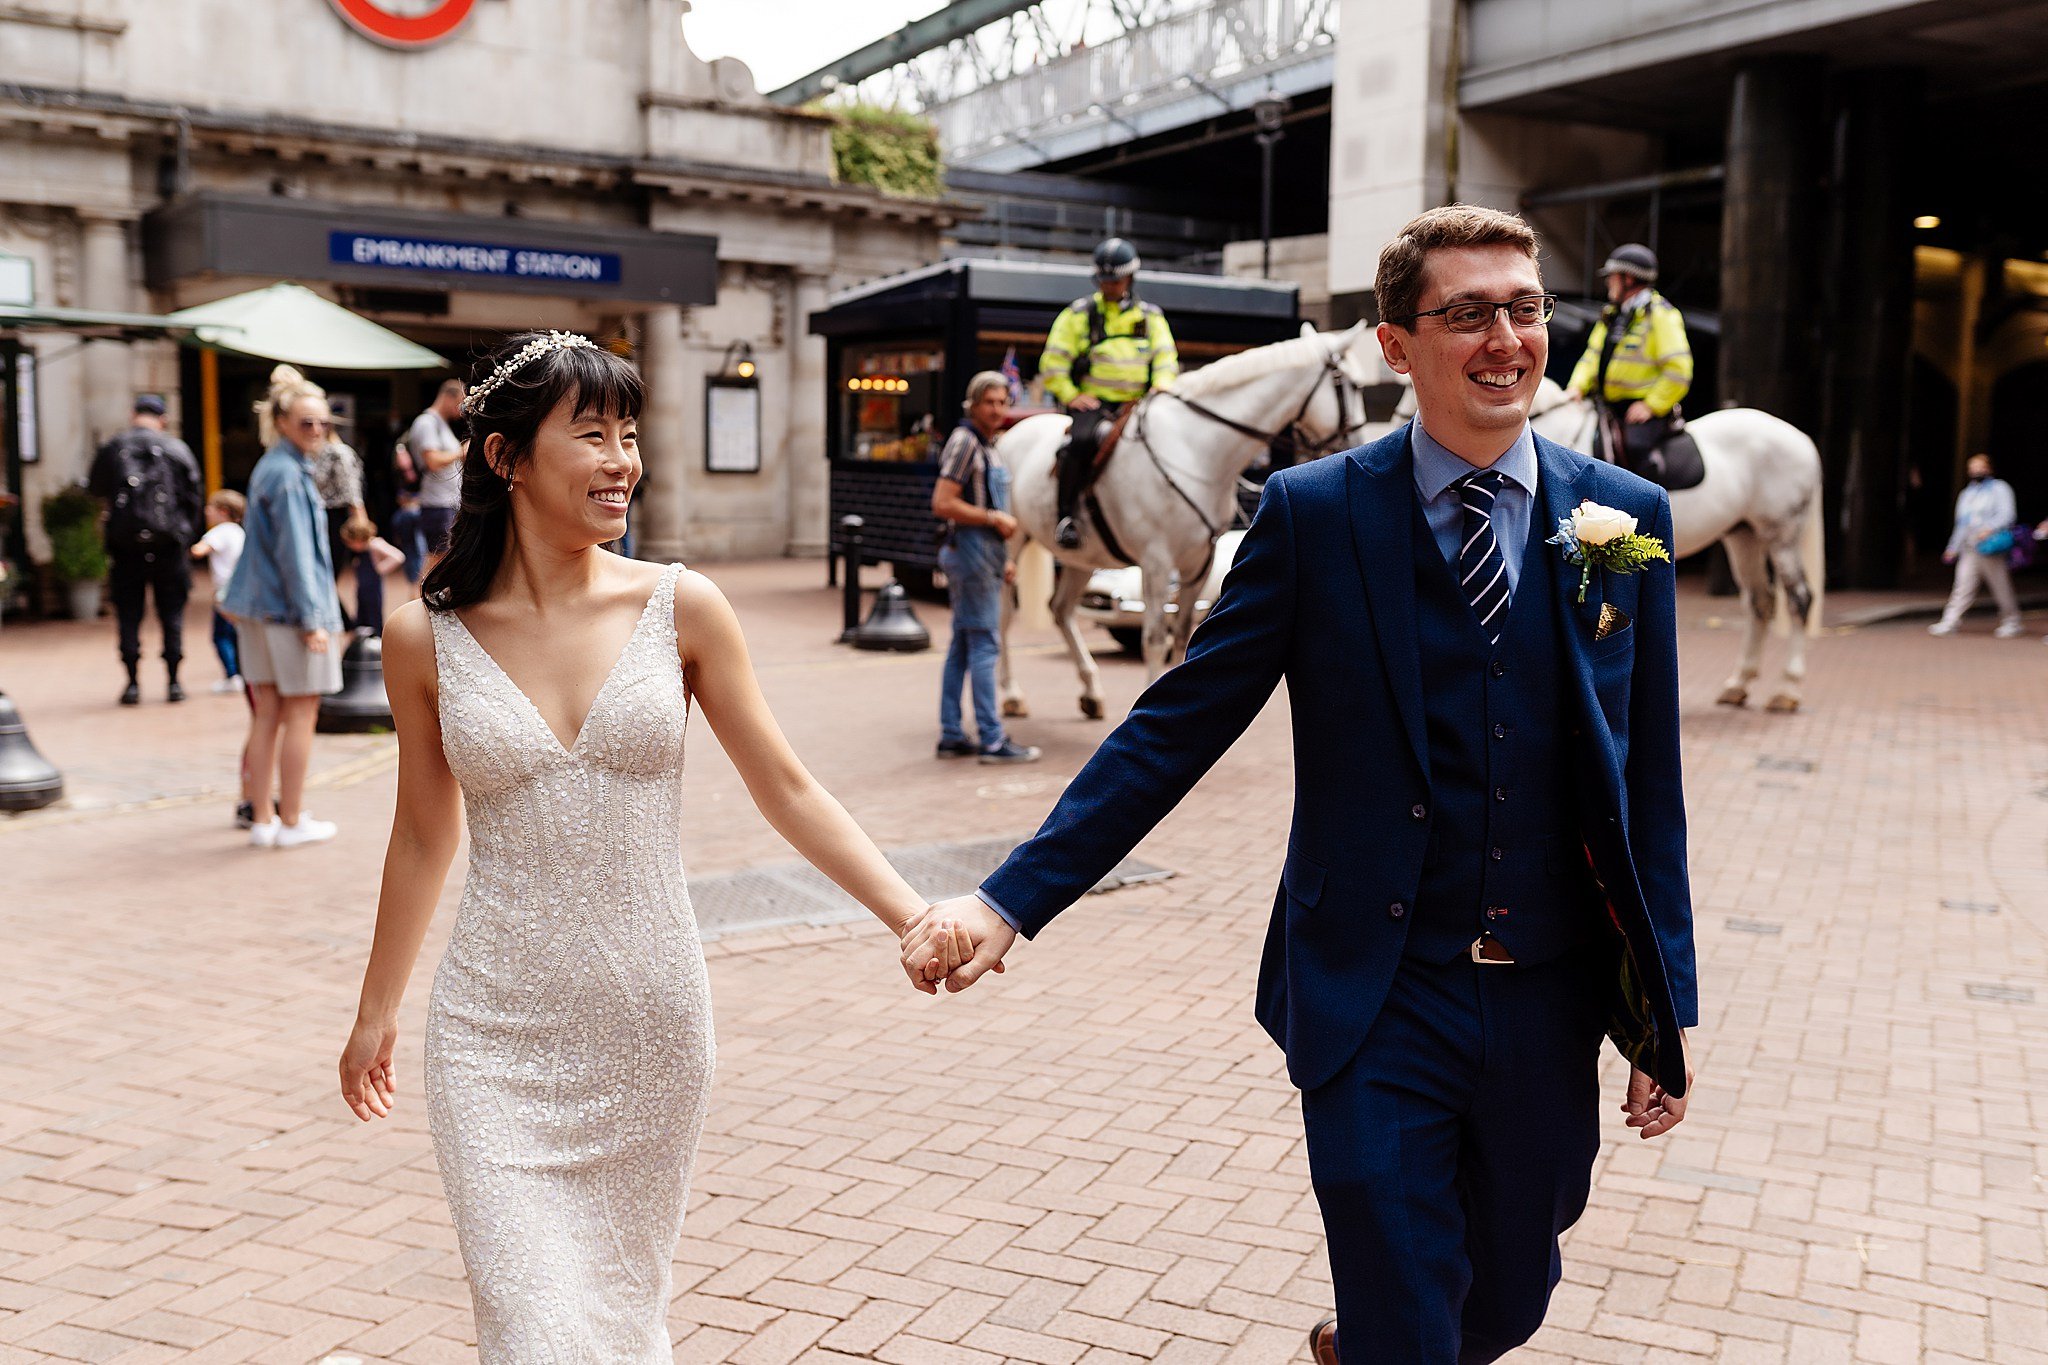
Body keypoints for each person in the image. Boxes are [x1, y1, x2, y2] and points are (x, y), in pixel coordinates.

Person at [904, 205, 1698, 1365]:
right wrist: (1006, 898)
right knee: (1405, 1304)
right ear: (1393, 345)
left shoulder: (1622, 519)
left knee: (1510, 1295)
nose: (1504, 338)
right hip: (1374, 995)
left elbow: (1648, 779)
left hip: (1550, 991)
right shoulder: (1312, 516)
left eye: (1522, 309)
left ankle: (1371, 1338)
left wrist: (1662, 1000)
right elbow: (1173, 727)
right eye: (1465, 312)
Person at [337, 331, 943, 1362]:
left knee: (619, 1323)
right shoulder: (420, 638)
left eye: (629, 435)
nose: (622, 461)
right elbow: (421, 833)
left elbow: (787, 788)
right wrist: (374, 1013)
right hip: (492, 1032)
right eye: (591, 436)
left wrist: (913, 913)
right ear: (506, 458)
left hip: (648, 1026)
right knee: (531, 1331)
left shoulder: (682, 608)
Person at [222, 366, 346, 850]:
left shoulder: (270, 466)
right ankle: (290, 820)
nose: (316, 431)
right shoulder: (290, 475)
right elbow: (297, 557)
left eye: (322, 423)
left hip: (258, 609)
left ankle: (262, 820)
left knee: (267, 713)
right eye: (306, 422)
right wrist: (314, 620)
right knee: (299, 713)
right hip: (289, 612)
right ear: (281, 421)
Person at [1040, 237, 1180, 548]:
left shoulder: (1150, 317)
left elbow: (1165, 357)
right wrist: (1070, 395)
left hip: (1141, 402)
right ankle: (1066, 518)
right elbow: (1052, 362)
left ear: (1130, 277)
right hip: (1095, 404)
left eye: (1115, 280)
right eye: (1104, 280)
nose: (1109, 286)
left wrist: (1162, 385)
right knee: (1080, 442)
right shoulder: (1078, 315)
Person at [931, 371, 1039, 764]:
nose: (996, 410)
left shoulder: (988, 444)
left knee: (962, 646)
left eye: (1002, 402)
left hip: (984, 556)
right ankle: (992, 739)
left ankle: (951, 734)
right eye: (989, 402)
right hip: (970, 553)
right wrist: (994, 519)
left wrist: (1004, 559)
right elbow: (943, 503)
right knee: (984, 645)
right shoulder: (964, 442)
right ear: (972, 405)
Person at [87, 394, 203, 705]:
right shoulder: (177, 449)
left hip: (126, 547)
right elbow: (194, 497)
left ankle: (132, 683)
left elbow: (95, 488)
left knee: (128, 613)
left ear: (132, 414)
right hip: (169, 546)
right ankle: (175, 682)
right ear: (163, 418)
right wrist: (185, 537)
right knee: (172, 613)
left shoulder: (114, 447)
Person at [1564, 243, 1692, 466]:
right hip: (1608, 408)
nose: (1607, 282)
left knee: (1636, 449)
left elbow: (1679, 370)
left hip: (1642, 412)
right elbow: (1591, 356)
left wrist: (1651, 405)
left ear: (1629, 279)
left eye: (1612, 276)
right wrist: (1576, 387)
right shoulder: (1611, 314)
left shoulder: (1661, 315)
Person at [1930, 452, 2022, 638]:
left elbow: (2007, 514)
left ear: (1989, 468)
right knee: (1962, 586)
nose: (1976, 471)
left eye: (1980, 467)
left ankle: (2012, 621)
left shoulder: (2000, 489)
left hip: (1990, 547)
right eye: (1972, 468)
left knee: (2000, 586)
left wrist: (1989, 528)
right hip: (1969, 548)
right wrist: (1952, 547)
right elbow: (1961, 524)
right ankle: (1950, 621)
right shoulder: (1967, 493)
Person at [406, 378, 467, 569]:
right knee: (436, 559)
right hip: (437, 503)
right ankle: (420, 598)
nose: (461, 410)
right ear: (449, 397)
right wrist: (461, 452)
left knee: (442, 558)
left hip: (445, 502)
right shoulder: (427, 422)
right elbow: (432, 461)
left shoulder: (439, 423)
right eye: (460, 403)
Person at [190, 489, 247, 693]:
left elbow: (200, 550)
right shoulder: (240, 532)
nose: (206, 511)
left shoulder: (219, 532)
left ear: (223, 511)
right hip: (241, 592)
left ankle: (233, 675)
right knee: (238, 635)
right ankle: (243, 671)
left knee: (221, 636)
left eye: (210, 508)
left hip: (224, 594)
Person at [308, 426, 367, 621]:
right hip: (322, 515)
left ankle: (341, 621)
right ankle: (339, 619)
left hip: (336, 516)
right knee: (322, 572)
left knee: (328, 571)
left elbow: (352, 489)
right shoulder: (314, 453)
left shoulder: (337, 452)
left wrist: (360, 520)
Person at [340, 511, 406, 635]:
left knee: (373, 614)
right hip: (363, 587)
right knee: (362, 613)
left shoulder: (374, 544)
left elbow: (398, 556)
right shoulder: (361, 551)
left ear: (358, 538)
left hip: (373, 587)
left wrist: (380, 568)